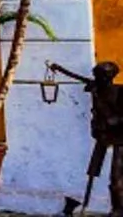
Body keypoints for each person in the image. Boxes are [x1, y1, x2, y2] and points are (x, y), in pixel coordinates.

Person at [51, 61, 123, 216]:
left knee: (117, 177)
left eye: (100, 75)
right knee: (93, 171)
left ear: (110, 76)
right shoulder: (96, 88)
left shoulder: (120, 91)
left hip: (120, 137)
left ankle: (118, 209)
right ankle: (89, 204)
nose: (97, 78)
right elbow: (75, 76)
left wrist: (113, 119)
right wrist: (58, 68)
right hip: (102, 135)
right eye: (95, 75)